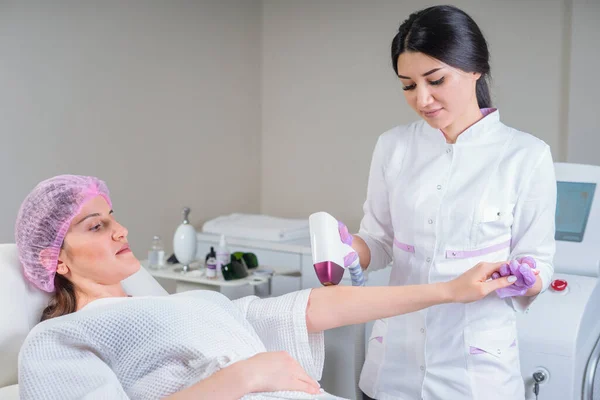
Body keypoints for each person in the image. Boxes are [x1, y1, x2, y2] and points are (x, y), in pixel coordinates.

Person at [14, 175, 518, 400]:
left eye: (114, 217)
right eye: (96, 226)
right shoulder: (58, 340)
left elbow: (317, 308)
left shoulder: (193, 303)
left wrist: (450, 291)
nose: (120, 230)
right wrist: (247, 376)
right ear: (53, 257)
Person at [335, 5, 556, 400]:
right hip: (392, 372)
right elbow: (380, 241)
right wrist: (348, 249)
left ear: (475, 69)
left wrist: (527, 276)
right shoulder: (394, 147)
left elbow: (537, 260)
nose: (423, 99)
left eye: (435, 80)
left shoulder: (526, 156)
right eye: (408, 85)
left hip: (475, 377)